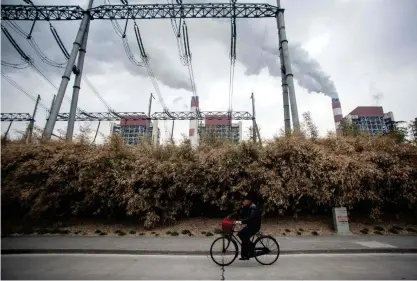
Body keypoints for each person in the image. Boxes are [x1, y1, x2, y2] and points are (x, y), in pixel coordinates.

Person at [234, 194, 261, 260]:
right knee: (241, 234)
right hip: (250, 225)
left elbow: (250, 218)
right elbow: (242, 215)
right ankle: (245, 254)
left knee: (244, 236)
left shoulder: (253, 207)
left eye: (244, 201)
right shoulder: (247, 206)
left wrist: (241, 222)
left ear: (249, 201)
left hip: (254, 226)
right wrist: (242, 208)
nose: (243, 202)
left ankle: (250, 250)